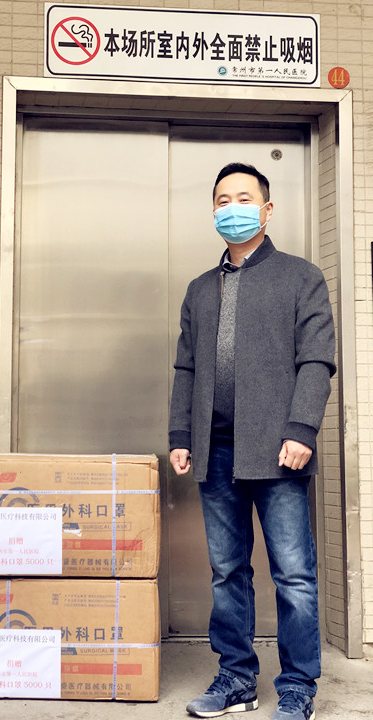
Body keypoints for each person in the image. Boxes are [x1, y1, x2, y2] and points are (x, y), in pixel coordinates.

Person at [169, 163, 335, 720]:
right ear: (213, 211)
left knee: (294, 575)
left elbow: (316, 360)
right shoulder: (199, 289)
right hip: (215, 449)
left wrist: (302, 429)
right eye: (222, 200)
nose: (232, 208)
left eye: (244, 198)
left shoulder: (301, 276)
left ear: (267, 209)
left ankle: (298, 687)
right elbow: (186, 368)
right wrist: (180, 434)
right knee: (227, 572)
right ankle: (236, 679)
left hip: (279, 449)